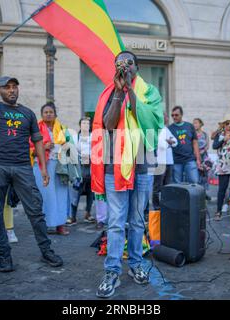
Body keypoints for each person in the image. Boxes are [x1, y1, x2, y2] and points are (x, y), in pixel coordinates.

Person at [0, 47, 63, 272]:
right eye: (6, 87)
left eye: (14, 86)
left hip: (23, 168)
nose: (11, 90)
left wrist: (43, 169)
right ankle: (4, 255)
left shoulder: (28, 113)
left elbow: (38, 141)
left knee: (36, 211)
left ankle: (46, 251)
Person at [91, 51, 163, 298]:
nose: (124, 66)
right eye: (119, 63)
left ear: (137, 66)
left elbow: (153, 123)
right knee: (115, 223)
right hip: (115, 169)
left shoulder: (149, 92)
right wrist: (120, 93)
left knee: (137, 221)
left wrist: (131, 91)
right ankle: (112, 271)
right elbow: (108, 125)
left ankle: (135, 265)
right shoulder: (109, 93)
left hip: (142, 167)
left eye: (128, 62)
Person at [33, 102, 71, 235]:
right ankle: (46, 224)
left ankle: (60, 224)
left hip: (60, 166)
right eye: (46, 112)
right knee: (45, 195)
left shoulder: (62, 128)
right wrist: (43, 147)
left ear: (55, 114)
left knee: (61, 194)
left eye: (51, 112)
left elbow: (71, 145)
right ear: (41, 114)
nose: (48, 114)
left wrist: (65, 146)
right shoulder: (36, 128)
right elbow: (30, 149)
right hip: (42, 165)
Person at [212, 115, 230, 220]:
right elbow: (214, 146)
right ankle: (218, 211)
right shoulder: (219, 135)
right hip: (223, 165)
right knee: (222, 189)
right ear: (223, 124)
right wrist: (223, 139)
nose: (229, 125)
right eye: (227, 123)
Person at [66, 117, 95, 226]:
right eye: (83, 123)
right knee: (75, 193)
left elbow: (97, 150)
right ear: (80, 125)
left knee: (90, 193)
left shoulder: (93, 137)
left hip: (91, 170)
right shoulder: (75, 137)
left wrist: (90, 157)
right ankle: (72, 216)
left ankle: (88, 214)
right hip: (78, 170)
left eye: (88, 123)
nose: (86, 125)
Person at [168, 106, 201, 184]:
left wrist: (198, 159)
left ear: (181, 115)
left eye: (176, 115)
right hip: (176, 161)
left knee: (194, 182)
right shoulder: (169, 128)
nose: (174, 117)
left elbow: (195, 143)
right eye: (172, 115)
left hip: (190, 159)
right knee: (177, 185)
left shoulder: (189, 126)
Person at [152, 112, 177, 210]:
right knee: (157, 186)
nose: (166, 118)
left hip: (169, 161)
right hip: (159, 162)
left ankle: (165, 206)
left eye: (166, 116)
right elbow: (161, 145)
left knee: (167, 186)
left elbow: (175, 142)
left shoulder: (167, 129)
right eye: (164, 116)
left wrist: (168, 142)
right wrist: (168, 142)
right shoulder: (156, 128)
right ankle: (156, 207)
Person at [193, 118, 212, 200]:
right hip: (195, 156)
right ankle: (197, 193)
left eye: (196, 123)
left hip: (204, 156)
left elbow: (207, 145)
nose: (195, 125)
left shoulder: (205, 134)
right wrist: (197, 153)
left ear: (200, 124)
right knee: (196, 175)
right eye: (193, 123)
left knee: (204, 175)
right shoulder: (192, 134)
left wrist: (203, 151)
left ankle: (204, 193)